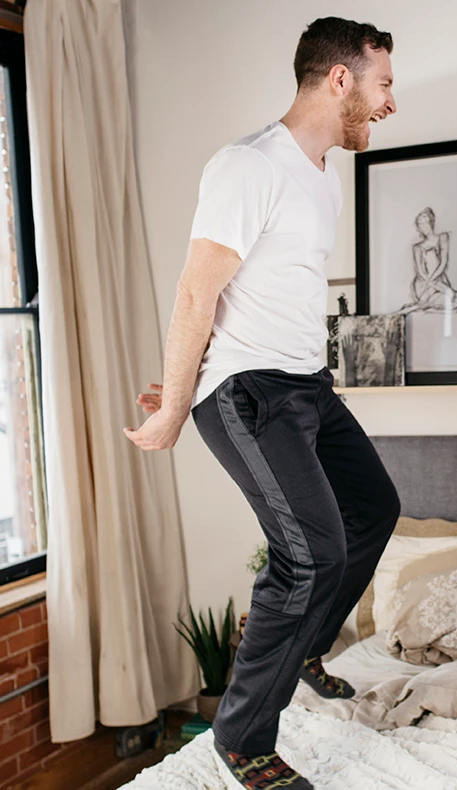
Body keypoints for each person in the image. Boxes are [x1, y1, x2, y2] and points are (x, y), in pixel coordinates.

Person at [125, 17, 399, 790]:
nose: (389, 103)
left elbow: (270, 290)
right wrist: (179, 405)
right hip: (249, 392)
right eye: (382, 85)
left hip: (306, 385)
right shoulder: (247, 166)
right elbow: (195, 292)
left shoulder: (321, 170)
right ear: (339, 80)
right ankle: (242, 738)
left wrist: (309, 378)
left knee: (375, 508)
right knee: (309, 553)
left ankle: (304, 643)